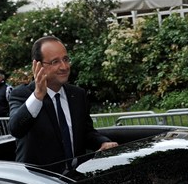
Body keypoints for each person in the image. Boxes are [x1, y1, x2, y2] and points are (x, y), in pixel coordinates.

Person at [8, 36, 118, 172]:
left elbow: (86, 132)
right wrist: (37, 96)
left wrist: (103, 142)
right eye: (55, 62)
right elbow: (15, 129)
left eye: (65, 59)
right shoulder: (23, 95)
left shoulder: (77, 95)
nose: (64, 67)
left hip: (76, 179)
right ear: (38, 66)